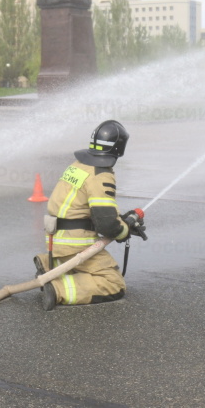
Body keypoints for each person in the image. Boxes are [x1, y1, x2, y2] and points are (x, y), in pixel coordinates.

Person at [34, 120, 146, 311]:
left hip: (57, 238)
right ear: (119, 148)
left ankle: (52, 263)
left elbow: (88, 207)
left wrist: (120, 219)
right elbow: (107, 226)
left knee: (84, 265)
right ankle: (59, 288)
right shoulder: (100, 174)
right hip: (75, 243)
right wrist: (124, 229)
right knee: (112, 283)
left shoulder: (79, 165)